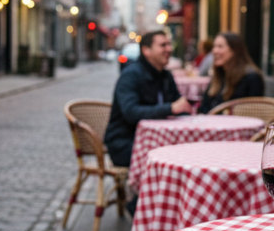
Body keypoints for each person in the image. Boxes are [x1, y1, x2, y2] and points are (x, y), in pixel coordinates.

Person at [104, 31, 193, 215]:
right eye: (163, 45)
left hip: (159, 142)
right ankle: (140, 207)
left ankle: (173, 210)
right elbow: (131, 113)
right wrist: (170, 108)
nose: (169, 49)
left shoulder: (166, 76)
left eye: (169, 44)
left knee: (187, 158)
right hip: (125, 143)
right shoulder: (130, 75)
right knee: (170, 163)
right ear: (146, 50)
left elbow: (179, 105)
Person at [197, 32, 265, 114]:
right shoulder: (219, 76)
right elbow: (204, 107)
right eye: (214, 47)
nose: (214, 51)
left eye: (220, 46)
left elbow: (255, 113)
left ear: (234, 50)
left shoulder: (251, 77)